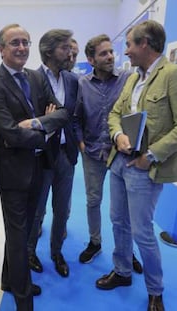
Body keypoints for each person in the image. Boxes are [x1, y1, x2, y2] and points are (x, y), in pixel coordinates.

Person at [0, 24, 68, 310]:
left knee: (24, 230)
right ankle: (23, 298)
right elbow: (8, 133)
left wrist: (36, 125)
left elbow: (62, 112)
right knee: (19, 237)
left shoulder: (36, 77)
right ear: (1, 49)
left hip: (39, 167)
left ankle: (9, 279)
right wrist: (46, 133)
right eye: (14, 42)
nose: (21, 48)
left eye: (25, 42)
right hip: (13, 173)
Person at [96, 20, 177, 311]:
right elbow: (115, 112)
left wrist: (150, 156)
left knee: (142, 231)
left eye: (129, 44)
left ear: (145, 44)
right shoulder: (132, 78)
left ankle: (155, 291)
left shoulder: (172, 75)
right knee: (118, 220)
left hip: (146, 167)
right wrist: (117, 135)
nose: (125, 51)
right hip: (120, 161)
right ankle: (122, 271)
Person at [73, 34, 142, 274]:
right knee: (94, 200)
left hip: (120, 154)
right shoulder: (82, 84)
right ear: (91, 59)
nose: (111, 56)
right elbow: (76, 117)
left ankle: (126, 251)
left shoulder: (128, 79)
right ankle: (95, 242)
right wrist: (81, 144)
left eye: (111, 52)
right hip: (92, 152)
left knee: (124, 208)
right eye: (104, 53)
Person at [27, 29, 79, 278]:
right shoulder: (31, 79)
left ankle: (57, 253)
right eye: (65, 48)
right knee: (37, 210)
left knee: (62, 210)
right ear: (49, 51)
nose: (70, 52)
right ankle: (29, 252)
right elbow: (29, 120)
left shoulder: (72, 80)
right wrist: (46, 121)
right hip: (41, 154)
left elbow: (73, 115)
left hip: (66, 155)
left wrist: (76, 141)